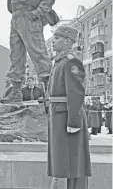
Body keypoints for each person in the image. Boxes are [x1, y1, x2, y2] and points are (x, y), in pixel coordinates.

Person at [1, 0, 60, 103]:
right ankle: (16, 91)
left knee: (38, 52)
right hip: (16, 17)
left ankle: (49, 90)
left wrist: (39, 11)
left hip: (29, 16)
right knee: (16, 55)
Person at [47, 26, 91, 189]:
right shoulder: (59, 61)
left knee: (74, 161)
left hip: (67, 116)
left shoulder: (71, 61)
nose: (53, 41)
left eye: (57, 38)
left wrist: (73, 121)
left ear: (67, 41)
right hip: (59, 115)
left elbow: (76, 93)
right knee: (63, 160)